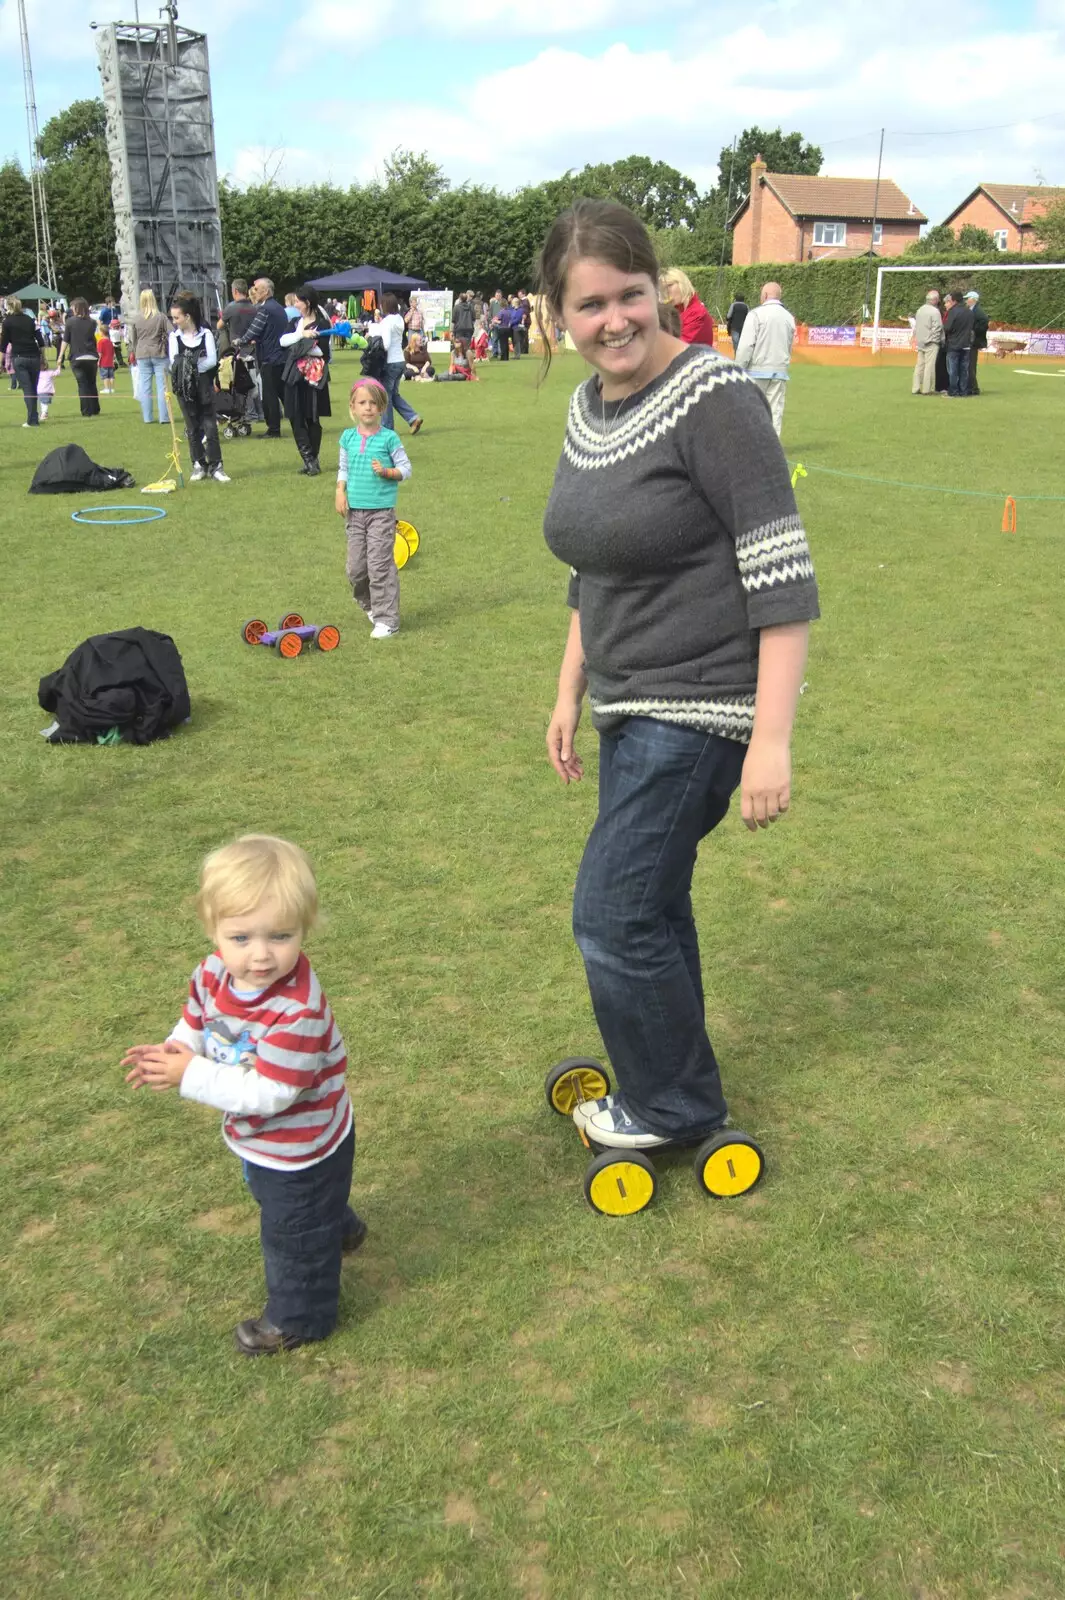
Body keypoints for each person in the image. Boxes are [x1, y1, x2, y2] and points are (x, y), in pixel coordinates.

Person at [537, 199, 818, 1152]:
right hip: (626, 702)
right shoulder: (589, 405)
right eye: (589, 305)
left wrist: (768, 742)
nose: (614, 320)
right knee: (650, 906)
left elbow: (781, 578)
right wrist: (569, 686)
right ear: (556, 314)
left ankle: (670, 1108)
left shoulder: (716, 398)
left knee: (611, 915)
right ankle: (679, 1084)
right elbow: (594, 564)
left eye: (630, 295)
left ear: (660, 291)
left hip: (701, 706)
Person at [123, 834, 365, 1356]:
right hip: (263, 1143)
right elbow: (197, 1022)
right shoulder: (212, 974)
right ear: (213, 931)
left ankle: (300, 1317)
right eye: (241, 937)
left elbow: (274, 1092)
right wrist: (175, 1047)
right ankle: (338, 1227)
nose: (260, 955)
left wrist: (189, 1076)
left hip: (301, 1147)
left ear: (305, 927)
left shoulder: (297, 1010)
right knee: (286, 1204)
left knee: (291, 1232)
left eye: (280, 936)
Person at [335, 377, 412, 640]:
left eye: (373, 403)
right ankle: (369, 605)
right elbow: (343, 468)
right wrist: (339, 491)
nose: (367, 408)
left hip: (381, 512)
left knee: (379, 565)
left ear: (381, 408)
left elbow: (406, 469)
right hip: (355, 512)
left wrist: (389, 472)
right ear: (353, 407)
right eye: (362, 403)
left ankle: (387, 619)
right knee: (355, 569)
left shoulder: (388, 438)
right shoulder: (347, 438)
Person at [168, 291, 230, 482]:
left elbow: (211, 360)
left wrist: (192, 369)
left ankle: (216, 465)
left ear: (187, 316)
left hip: (203, 386)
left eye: (177, 317)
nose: (174, 321)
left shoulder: (206, 334)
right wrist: (187, 371)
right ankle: (198, 464)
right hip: (185, 389)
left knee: (210, 427)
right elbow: (173, 363)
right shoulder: (174, 337)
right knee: (192, 427)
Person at [279, 285, 333, 476]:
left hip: (314, 375)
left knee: (312, 416)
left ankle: (312, 460)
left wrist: (303, 345)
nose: (295, 304)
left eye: (298, 301)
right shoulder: (295, 322)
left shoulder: (323, 325)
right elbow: (283, 341)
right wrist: (302, 336)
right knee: (295, 415)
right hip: (294, 373)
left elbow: (322, 351)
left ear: (307, 302)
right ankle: (309, 459)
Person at [733, 281, 796, 436]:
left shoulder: (755, 314)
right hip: (779, 370)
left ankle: (753, 445)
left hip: (756, 370)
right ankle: (773, 449)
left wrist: (738, 369)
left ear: (765, 295)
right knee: (775, 411)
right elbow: (789, 345)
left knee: (752, 409)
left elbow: (746, 346)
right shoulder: (789, 317)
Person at [238, 278, 288, 438]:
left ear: (266, 291)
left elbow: (254, 330)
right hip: (281, 356)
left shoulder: (265, 309)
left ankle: (273, 429)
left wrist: (241, 340)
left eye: (257, 288)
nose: (254, 290)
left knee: (269, 395)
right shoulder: (279, 308)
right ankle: (299, 421)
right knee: (284, 394)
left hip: (269, 358)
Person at [378, 292, 423, 436]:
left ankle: (387, 430)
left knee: (386, 397)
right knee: (393, 394)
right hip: (400, 360)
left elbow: (385, 344)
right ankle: (413, 417)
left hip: (390, 362)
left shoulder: (386, 322)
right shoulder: (398, 319)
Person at [127, 288, 172, 423]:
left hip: (142, 353)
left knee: (145, 387)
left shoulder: (136, 318)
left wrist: (134, 351)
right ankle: (163, 417)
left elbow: (133, 339)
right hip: (159, 352)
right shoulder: (161, 317)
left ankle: (147, 417)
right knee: (162, 387)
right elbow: (172, 332)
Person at [0, 295, 44, 426]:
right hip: (34, 356)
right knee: (33, 388)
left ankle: (32, 420)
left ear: (8, 306)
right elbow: (41, 341)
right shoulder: (30, 320)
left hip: (19, 358)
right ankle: (34, 417)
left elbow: (3, 346)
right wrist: (44, 358)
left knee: (27, 389)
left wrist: (0, 364)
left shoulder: (7, 322)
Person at [58, 298, 101, 417]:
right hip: (92, 356)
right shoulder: (92, 322)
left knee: (82, 384)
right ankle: (95, 408)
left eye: (73, 307)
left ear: (77, 308)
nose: (71, 310)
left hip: (77, 357)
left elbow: (65, 340)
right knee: (92, 383)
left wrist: (60, 356)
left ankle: (86, 411)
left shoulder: (70, 322)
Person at [661, 269, 715, 348]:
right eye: (663, 289)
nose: (666, 292)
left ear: (682, 284)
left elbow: (677, 347)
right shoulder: (675, 311)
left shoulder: (697, 313)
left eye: (669, 285)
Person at [912, 290, 944, 396]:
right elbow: (938, 327)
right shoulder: (935, 311)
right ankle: (927, 389)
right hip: (931, 342)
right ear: (935, 300)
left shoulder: (919, 310)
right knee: (929, 366)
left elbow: (916, 327)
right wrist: (936, 339)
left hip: (920, 342)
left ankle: (915, 387)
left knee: (919, 366)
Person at [942, 291, 973, 398]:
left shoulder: (953, 311)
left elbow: (947, 328)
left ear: (954, 300)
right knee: (964, 370)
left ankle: (953, 391)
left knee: (953, 370)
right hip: (966, 344)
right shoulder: (969, 311)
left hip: (954, 344)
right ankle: (963, 391)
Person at [964, 290, 988, 396]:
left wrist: (973, 330)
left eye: (968, 299)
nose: (966, 301)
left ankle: (974, 388)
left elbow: (984, 322)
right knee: (970, 364)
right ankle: (971, 386)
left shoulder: (978, 311)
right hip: (972, 341)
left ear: (973, 299)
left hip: (974, 342)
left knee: (971, 365)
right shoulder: (973, 310)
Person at [96, 323, 116, 394]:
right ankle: (111, 389)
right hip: (110, 361)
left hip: (103, 362)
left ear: (102, 332)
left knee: (105, 376)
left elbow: (100, 353)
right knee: (111, 376)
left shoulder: (100, 342)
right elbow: (113, 353)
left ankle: (107, 388)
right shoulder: (110, 341)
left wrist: (98, 361)